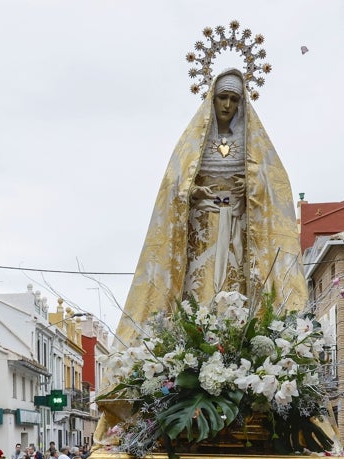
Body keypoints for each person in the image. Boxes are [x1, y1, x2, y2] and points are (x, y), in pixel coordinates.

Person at [116, 66, 305, 344]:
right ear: (212, 99)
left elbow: (275, 185)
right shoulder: (195, 144)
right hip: (201, 235)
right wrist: (192, 190)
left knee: (237, 295)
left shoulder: (252, 145)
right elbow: (173, 185)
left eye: (234, 99)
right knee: (200, 294)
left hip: (238, 235)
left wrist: (253, 186)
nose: (227, 105)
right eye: (222, 98)